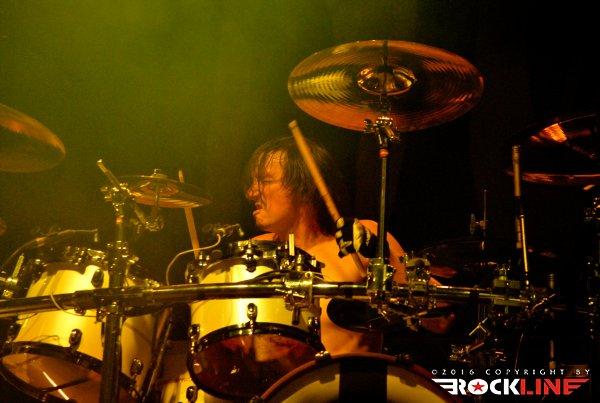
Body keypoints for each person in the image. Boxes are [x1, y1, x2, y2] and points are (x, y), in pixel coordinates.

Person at [244, 136, 408, 355]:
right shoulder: (254, 252)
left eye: (265, 180)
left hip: (352, 375)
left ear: (304, 186)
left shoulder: (366, 234)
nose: (251, 193)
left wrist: (381, 255)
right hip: (277, 377)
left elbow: (439, 319)